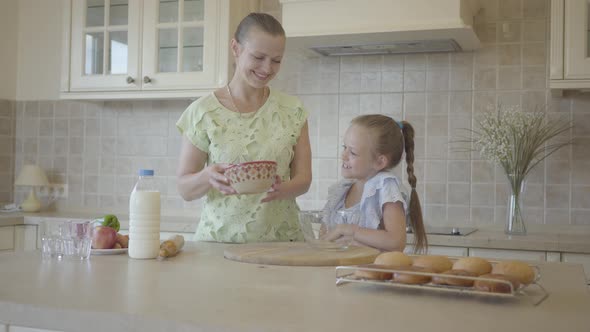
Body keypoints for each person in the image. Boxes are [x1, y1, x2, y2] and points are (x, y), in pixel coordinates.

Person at [175, 13, 312, 243]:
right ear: (235, 48)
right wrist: (208, 176)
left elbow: (304, 179)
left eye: (276, 60)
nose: (267, 68)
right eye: (258, 57)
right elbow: (184, 188)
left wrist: (281, 190)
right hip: (218, 247)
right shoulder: (203, 112)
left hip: (281, 245)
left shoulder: (293, 110)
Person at [322, 114, 427, 253]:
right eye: (344, 147)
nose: (343, 156)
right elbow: (325, 235)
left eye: (352, 152)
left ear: (379, 162)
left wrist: (348, 229)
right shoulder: (341, 190)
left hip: (374, 272)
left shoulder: (386, 186)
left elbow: (396, 241)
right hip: (340, 271)